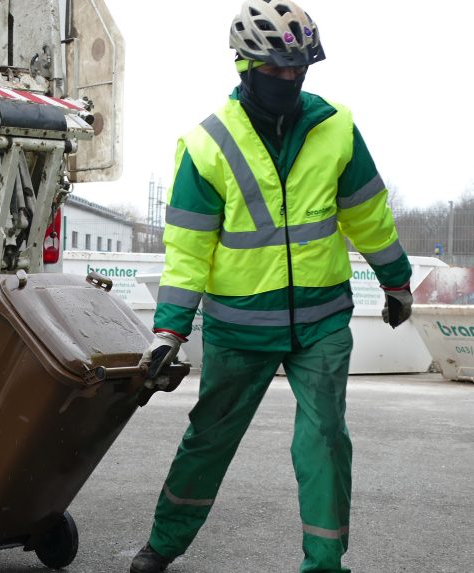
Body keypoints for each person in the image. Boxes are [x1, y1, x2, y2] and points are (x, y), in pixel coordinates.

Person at [131, 1, 413, 572]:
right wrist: (169, 330)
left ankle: (325, 564)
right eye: (276, 68)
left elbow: (367, 215)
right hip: (238, 326)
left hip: (322, 320)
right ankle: (164, 543)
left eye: (299, 68)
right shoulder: (208, 144)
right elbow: (188, 250)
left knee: (325, 439)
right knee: (209, 439)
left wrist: (397, 282)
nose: (289, 78)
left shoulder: (335, 127)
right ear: (244, 64)